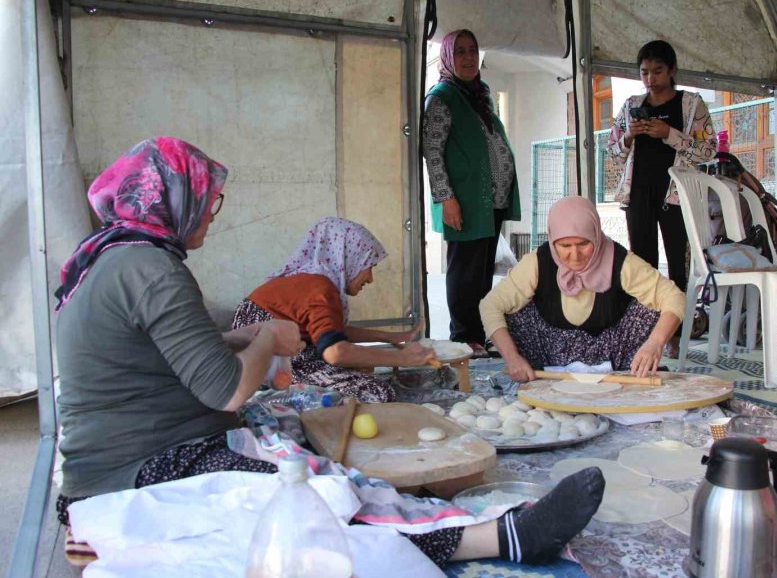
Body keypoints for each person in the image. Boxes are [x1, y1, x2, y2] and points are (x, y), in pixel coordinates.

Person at [54, 137, 605, 569]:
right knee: (320, 498)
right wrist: (267, 339)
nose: (212, 212)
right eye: (207, 199)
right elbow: (227, 388)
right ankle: (498, 537)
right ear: (173, 199)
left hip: (138, 447)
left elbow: (167, 352)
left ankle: (435, 516)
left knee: (307, 445)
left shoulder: (118, 257)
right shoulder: (149, 270)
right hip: (141, 468)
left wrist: (242, 338)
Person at [479, 196, 686, 382]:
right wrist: (512, 358)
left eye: (583, 243)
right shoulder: (537, 262)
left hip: (612, 354)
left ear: (596, 234)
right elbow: (490, 305)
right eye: (565, 246)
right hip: (550, 354)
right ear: (552, 241)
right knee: (513, 309)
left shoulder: (619, 260)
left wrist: (655, 343)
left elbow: (674, 297)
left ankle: (630, 368)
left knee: (653, 306)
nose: (574, 255)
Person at [232, 217, 435, 403]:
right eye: (368, 266)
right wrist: (402, 358)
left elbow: (330, 333)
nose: (370, 278)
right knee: (377, 391)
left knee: (361, 367)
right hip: (268, 366)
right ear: (349, 258)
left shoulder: (311, 279)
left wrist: (392, 338)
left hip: (260, 357)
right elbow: (335, 352)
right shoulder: (320, 288)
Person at [606, 40, 716, 357]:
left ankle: (674, 337)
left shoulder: (691, 104)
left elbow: (708, 150)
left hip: (677, 196)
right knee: (643, 266)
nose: (650, 80)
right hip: (638, 193)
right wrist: (630, 134)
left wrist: (668, 134)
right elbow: (612, 152)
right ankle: (646, 335)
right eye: (644, 72)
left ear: (672, 70)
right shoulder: (631, 105)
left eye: (657, 71)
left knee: (678, 270)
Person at [423, 28, 521, 355]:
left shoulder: (480, 94)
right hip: (462, 201)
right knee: (464, 271)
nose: (468, 57)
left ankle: (479, 333)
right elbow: (432, 151)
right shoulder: (442, 97)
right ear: (449, 57)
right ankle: (463, 337)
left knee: (481, 273)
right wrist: (445, 198)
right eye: (460, 51)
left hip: (490, 201)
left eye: (472, 50)